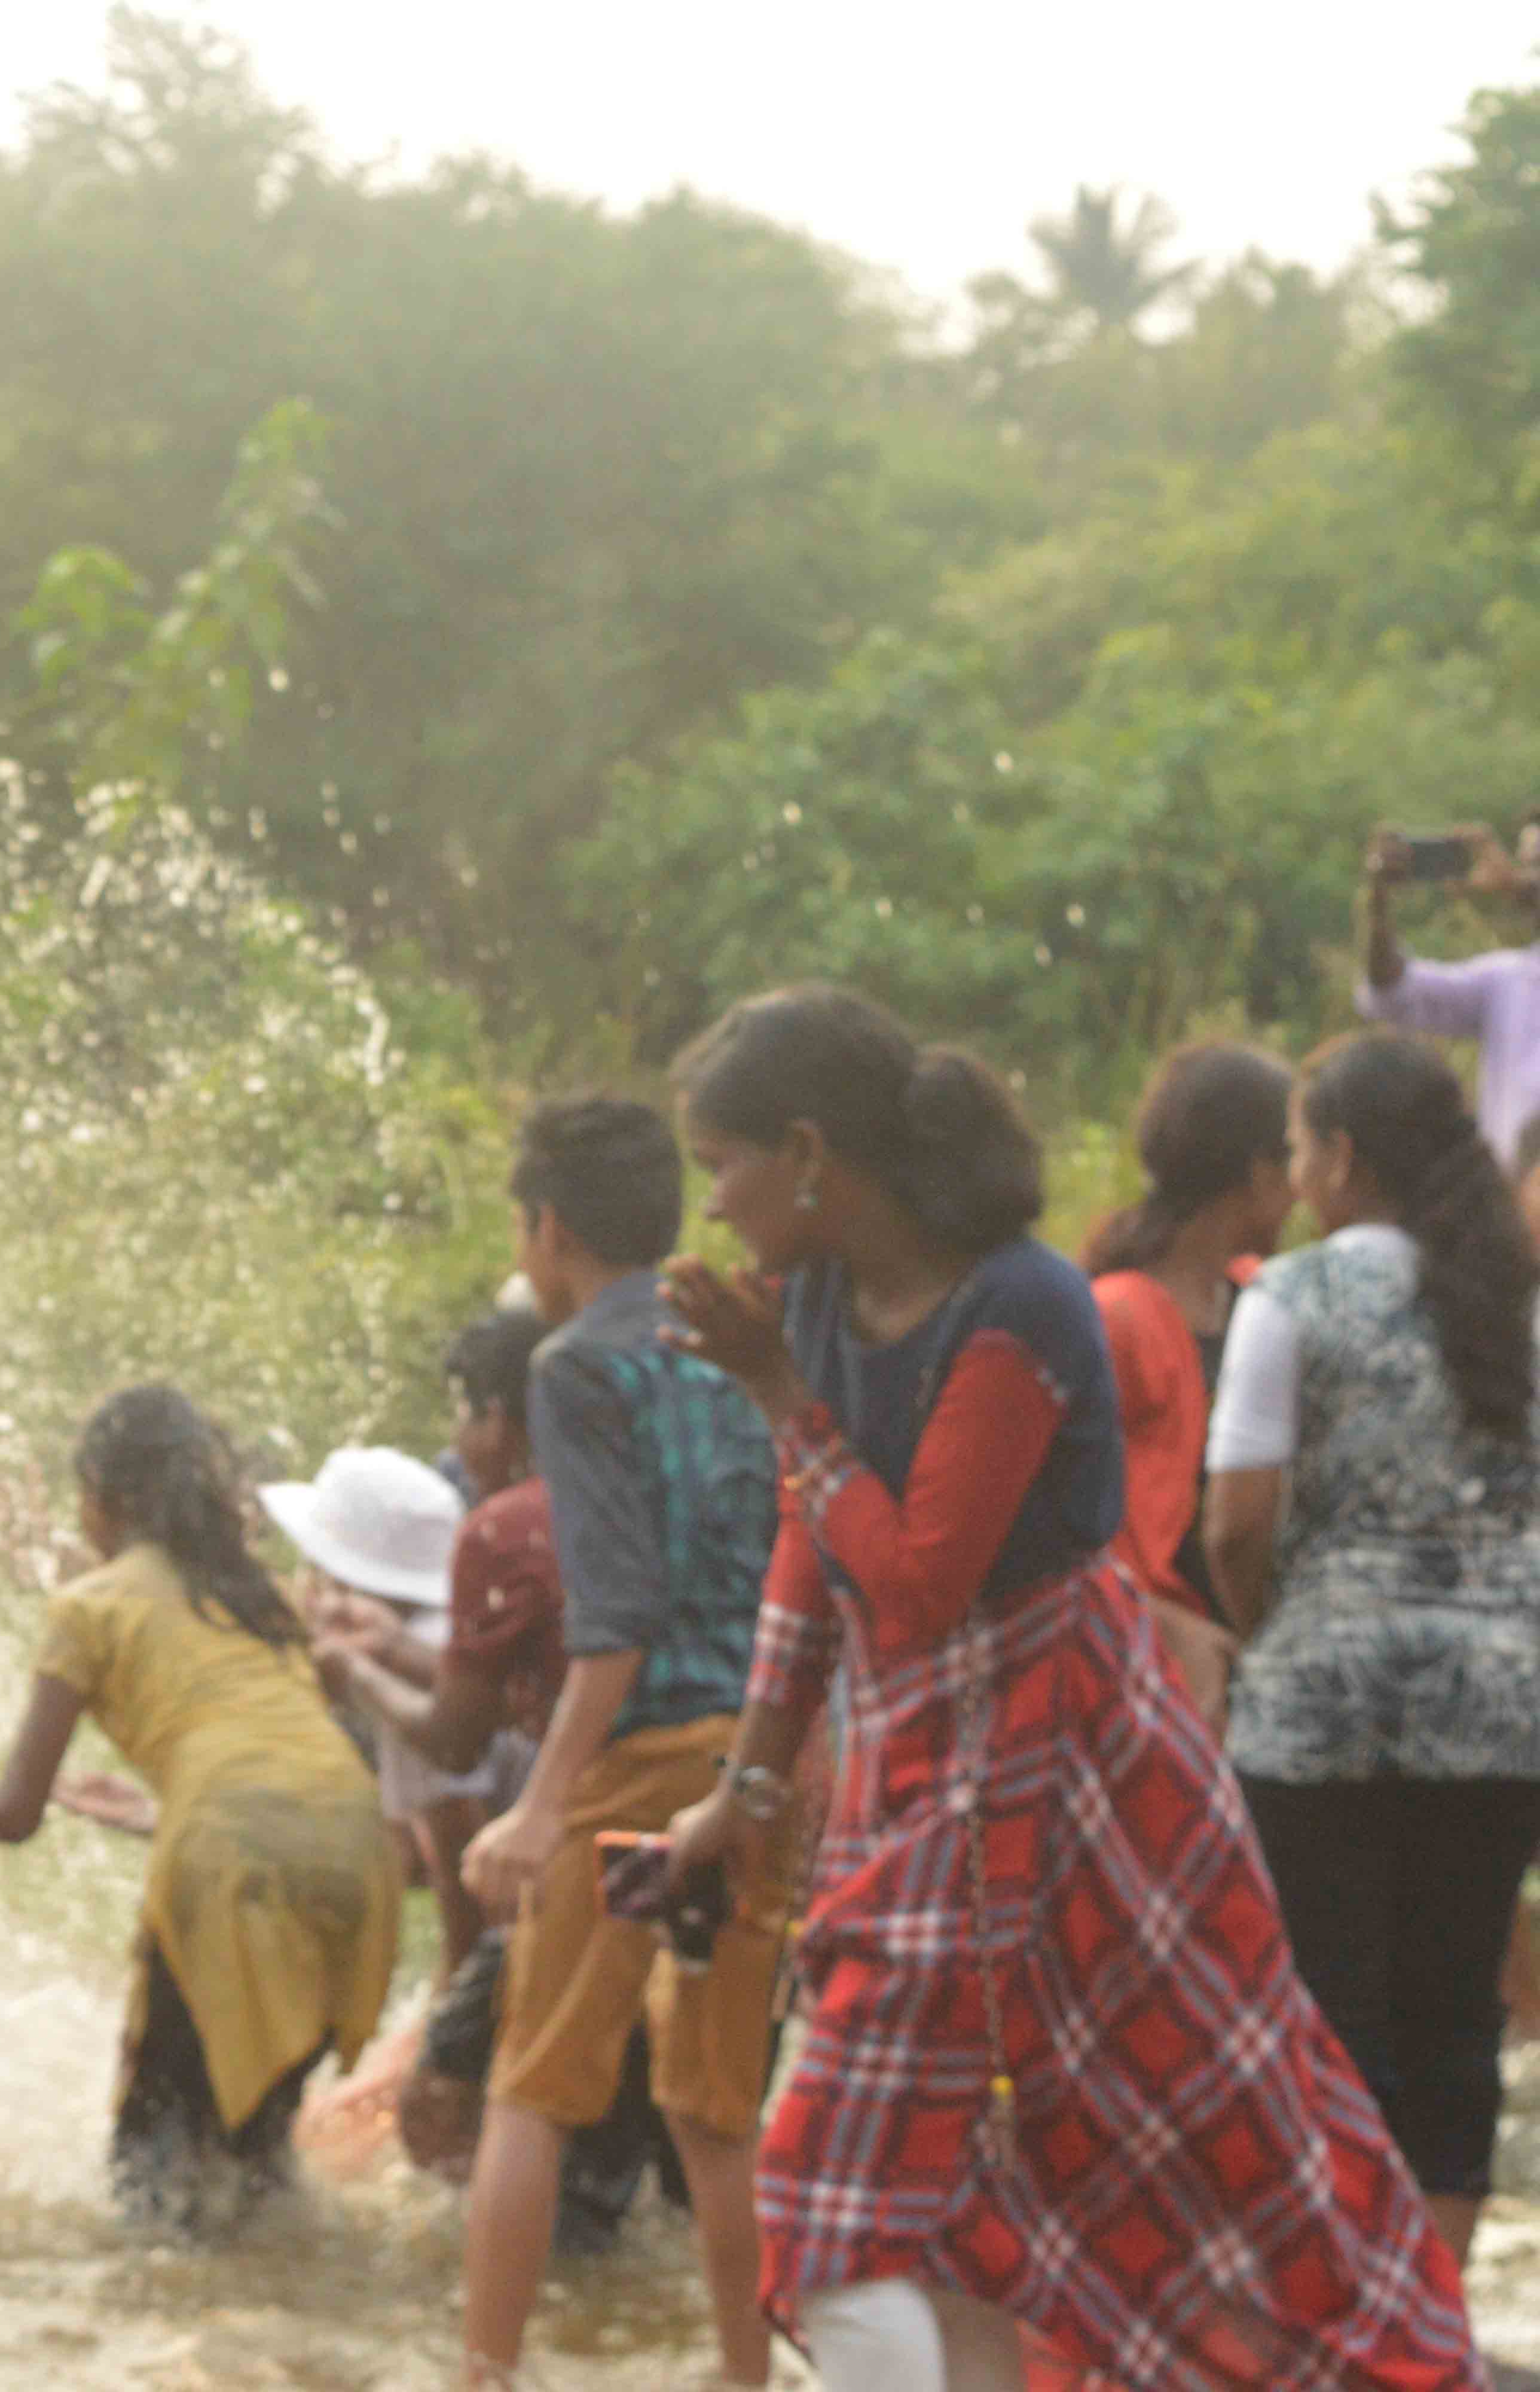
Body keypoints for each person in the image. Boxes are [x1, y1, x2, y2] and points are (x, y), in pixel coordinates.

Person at [657, 984, 1484, 2392]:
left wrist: (783, 1398)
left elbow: (918, 1586)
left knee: (1104, 2150)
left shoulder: (1017, 1298)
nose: (716, 1207)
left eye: (723, 1164)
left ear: (806, 1151)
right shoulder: (814, 1297)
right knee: (949, 2198)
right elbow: (814, 1556)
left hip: (1065, 1778)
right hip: (922, 1777)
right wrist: (739, 1790)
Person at [453, 1096, 789, 2392]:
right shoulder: (730, 1332)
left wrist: (540, 1804)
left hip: (639, 1769)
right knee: (712, 2100)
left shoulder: (574, 1366)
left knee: (533, 2083)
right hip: (748, 1760)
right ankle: (745, 2373)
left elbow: (613, 1620)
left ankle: (481, 2374)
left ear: (546, 1228)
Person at [0, 1386, 399, 2238]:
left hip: (231, 1854)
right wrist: (158, 1810)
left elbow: (15, 1811)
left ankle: (170, 2344)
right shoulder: (259, 1594)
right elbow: (288, 1750)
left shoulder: (89, 1607)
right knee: (259, 2151)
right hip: (359, 1845)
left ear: (106, 1497)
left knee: (155, 2162)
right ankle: (305, 2332)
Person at [1203, 1031, 1540, 2277]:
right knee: (1457, 2018)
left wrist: (1272, 1631)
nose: (1290, 1176)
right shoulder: (1516, 1298)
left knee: (1326, 2018)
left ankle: (1338, 2307)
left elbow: (1236, 1521)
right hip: (1499, 1707)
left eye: (1296, 1148)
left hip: (1320, 1706)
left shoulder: (1290, 1296)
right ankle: (1431, 2309)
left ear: (1340, 1155)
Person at [323, 1315, 680, 2253]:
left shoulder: (509, 1525)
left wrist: (356, 1672)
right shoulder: (644, 1498)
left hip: (586, 1835)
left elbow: (450, 1734)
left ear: (501, 1416)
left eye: (461, 1415)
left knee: (469, 2100)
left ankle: (502, 2313)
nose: (454, 1443)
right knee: (649, 2079)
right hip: (690, 1820)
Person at [1075, 1042, 1294, 1731]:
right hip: (1153, 1667)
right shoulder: (1118, 1314)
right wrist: (1159, 1620)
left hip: (1247, 1659)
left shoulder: (1259, 1294)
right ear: (1259, 1174)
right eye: (1295, 1158)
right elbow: (1058, 1511)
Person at [262, 1442, 499, 1975]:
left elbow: (468, 1899)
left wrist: (442, 2030)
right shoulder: (445, 1637)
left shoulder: (394, 1680)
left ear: (341, 1583)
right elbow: (407, 1856)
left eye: (314, 1569)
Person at [1358, 820, 1540, 1168]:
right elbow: (1391, 991)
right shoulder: (1505, 980)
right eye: (1527, 865)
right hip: (1512, 1213)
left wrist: (1518, 888)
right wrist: (1378, 902)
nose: (1528, 876)